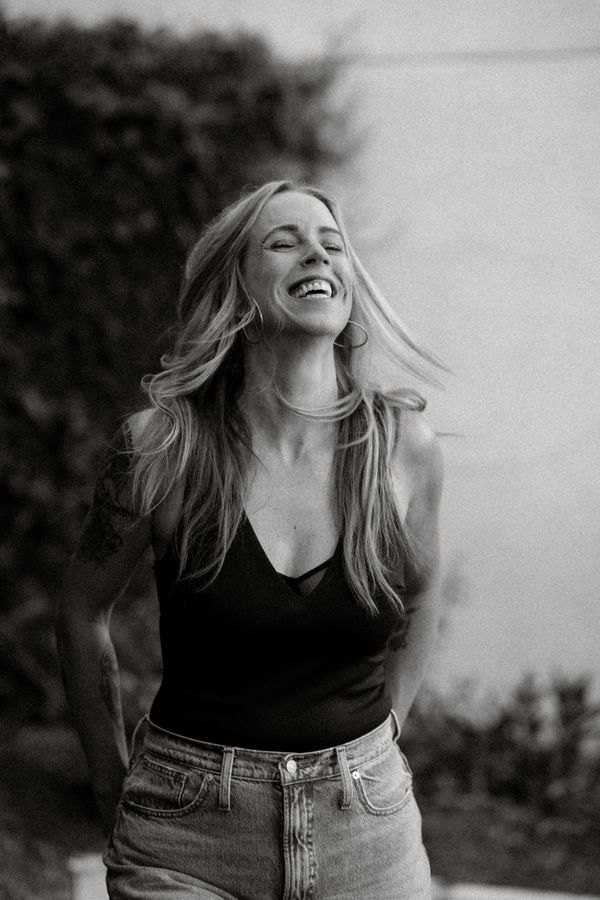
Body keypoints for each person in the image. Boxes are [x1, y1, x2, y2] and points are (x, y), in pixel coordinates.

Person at [57, 179, 444, 900]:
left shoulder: (402, 447)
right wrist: (110, 785)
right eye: (284, 242)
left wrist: (382, 735)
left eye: (332, 244)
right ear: (235, 286)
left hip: (368, 838)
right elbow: (82, 611)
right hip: (185, 839)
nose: (317, 255)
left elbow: (422, 599)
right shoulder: (161, 448)